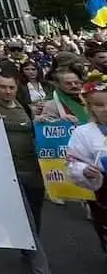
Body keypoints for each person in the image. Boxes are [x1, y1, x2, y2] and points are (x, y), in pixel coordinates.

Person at [0, 73, 51, 274]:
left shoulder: (24, 107)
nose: (7, 91)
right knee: (28, 221)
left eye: (11, 87)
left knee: (35, 216)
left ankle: (26, 248)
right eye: (2, 87)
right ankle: (40, 267)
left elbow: (36, 131)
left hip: (33, 170)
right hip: (6, 172)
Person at [66, 74, 107, 252]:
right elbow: (73, 163)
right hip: (103, 192)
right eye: (99, 105)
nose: (106, 109)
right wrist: (85, 171)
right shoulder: (82, 133)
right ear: (90, 107)